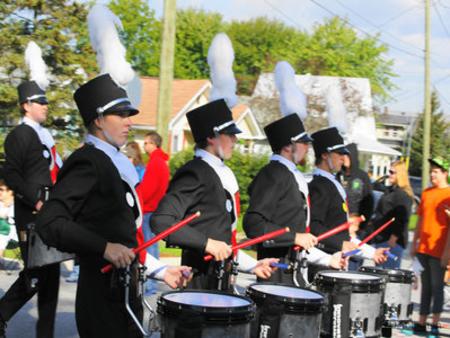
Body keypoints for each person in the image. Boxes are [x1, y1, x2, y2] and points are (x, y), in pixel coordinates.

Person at [36, 74, 191, 338]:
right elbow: (50, 223)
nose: (129, 122)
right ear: (98, 120)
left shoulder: (114, 162)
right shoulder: (87, 161)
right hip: (100, 295)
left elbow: (125, 240)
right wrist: (103, 247)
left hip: (125, 291)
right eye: (120, 114)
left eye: (128, 114)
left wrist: (161, 270)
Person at [151, 99, 277, 291]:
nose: (235, 140)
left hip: (220, 280)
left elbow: (223, 240)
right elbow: (161, 221)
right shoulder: (195, 172)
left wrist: (252, 266)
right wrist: (206, 243)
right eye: (230, 134)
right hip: (199, 282)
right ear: (212, 137)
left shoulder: (221, 171)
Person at [244, 114, 346, 286]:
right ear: (287, 147)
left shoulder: (289, 174)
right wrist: (293, 237)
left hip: (293, 274)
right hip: (275, 276)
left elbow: (300, 237)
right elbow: (253, 224)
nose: (308, 147)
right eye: (303, 142)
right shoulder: (274, 173)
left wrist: (328, 260)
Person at [0, 79, 62, 338]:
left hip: (52, 211)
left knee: (52, 278)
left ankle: (45, 334)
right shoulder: (19, 135)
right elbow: (10, 173)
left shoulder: (44, 135)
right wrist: (35, 200)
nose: (46, 106)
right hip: (32, 213)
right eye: (41, 102)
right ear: (26, 105)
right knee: (35, 276)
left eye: (46, 101)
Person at [308, 127, 387, 277]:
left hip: (336, 265)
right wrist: (339, 245)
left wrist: (373, 253)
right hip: (322, 266)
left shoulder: (331, 182)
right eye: (339, 153)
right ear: (325, 155)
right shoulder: (319, 186)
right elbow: (313, 227)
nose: (343, 158)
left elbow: (342, 235)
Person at [410, 156, 450, 336]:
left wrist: (447, 253)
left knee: (437, 287)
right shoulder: (426, 193)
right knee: (425, 287)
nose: (432, 174)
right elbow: (420, 220)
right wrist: (414, 243)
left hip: (439, 250)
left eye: (436, 171)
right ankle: (421, 321)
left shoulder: (448, 194)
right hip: (423, 249)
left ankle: (435, 323)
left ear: (445, 173)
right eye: (431, 171)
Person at [137, 131, 169, 294]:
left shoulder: (155, 162)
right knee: (153, 247)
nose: (144, 146)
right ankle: (152, 284)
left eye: (146, 143)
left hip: (149, 209)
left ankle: (150, 285)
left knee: (148, 248)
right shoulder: (161, 161)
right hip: (155, 209)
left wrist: (138, 199)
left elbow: (148, 188)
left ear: (153, 144)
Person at [372, 160, 413, 269]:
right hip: (381, 237)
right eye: (389, 171)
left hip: (391, 241)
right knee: (379, 274)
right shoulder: (390, 190)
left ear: (400, 174)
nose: (389, 174)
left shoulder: (402, 194)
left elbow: (402, 219)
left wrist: (393, 239)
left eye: (392, 172)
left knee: (388, 275)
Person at [0, 180, 17, 259]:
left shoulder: (17, 205)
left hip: (14, 235)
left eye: (1, 190)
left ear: (10, 191)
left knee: (3, 225)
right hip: (4, 231)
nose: (0, 192)